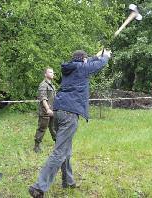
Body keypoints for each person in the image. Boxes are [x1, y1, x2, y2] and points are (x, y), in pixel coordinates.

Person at [29, 49, 111, 198]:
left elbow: (89, 62)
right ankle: (38, 187)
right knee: (60, 152)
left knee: (65, 149)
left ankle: (68, 181)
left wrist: (97, 55)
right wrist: (105, 57)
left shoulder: (71, 68)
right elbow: (98, 65)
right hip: (69, 113)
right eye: (86, 60)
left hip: (59, 111)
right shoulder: (81, 68)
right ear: (83, 60)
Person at [33, 68, 56, 153]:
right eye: (50, 72)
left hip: (53, 110)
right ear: (45, 74)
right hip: (45, 112)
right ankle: (36, 146)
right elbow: (43, 99)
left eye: (53, 72)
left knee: (54, 128)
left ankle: (58, 144)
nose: (52, 73)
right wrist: (47, 109)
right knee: (42, 128)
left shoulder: (52, 86)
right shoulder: (43, 85)